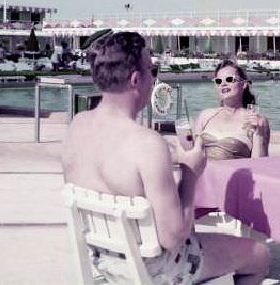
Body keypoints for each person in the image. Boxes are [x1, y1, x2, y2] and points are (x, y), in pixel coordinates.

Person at [62, 32, 269, 285]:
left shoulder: (77, 125)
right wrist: (191, 173)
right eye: (152, 69)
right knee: (259, 254)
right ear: (136, 79)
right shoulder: (148, 143)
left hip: (105, 260)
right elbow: (174, 237)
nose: (154, 77)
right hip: (154, 268)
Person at [194, 60, 270, 160]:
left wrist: (259, 135)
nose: (223, 84)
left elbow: (259, 166)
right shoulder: (205, 116)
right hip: (202, 174)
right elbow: (190, 155)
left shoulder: (255, 120)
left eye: (229, 79)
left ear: (243, 84)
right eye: (218, 81)